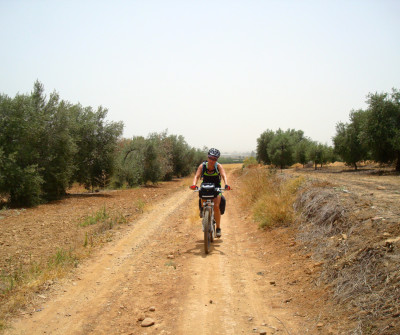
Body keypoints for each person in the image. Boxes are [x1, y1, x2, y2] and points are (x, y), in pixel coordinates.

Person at [190, 148, 230, 238]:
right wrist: (193, 185)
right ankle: (203, 211)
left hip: (216, 187)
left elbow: (223, 175)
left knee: (216, 206)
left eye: (214, 159)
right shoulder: (203, 166)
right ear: (208, 157)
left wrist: (226, 184)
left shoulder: (218, 166)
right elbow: (197, 176)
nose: (212, 160)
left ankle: (218, 228)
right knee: (202, 198)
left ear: (217, 160)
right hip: (205, 186)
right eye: (210, 158)